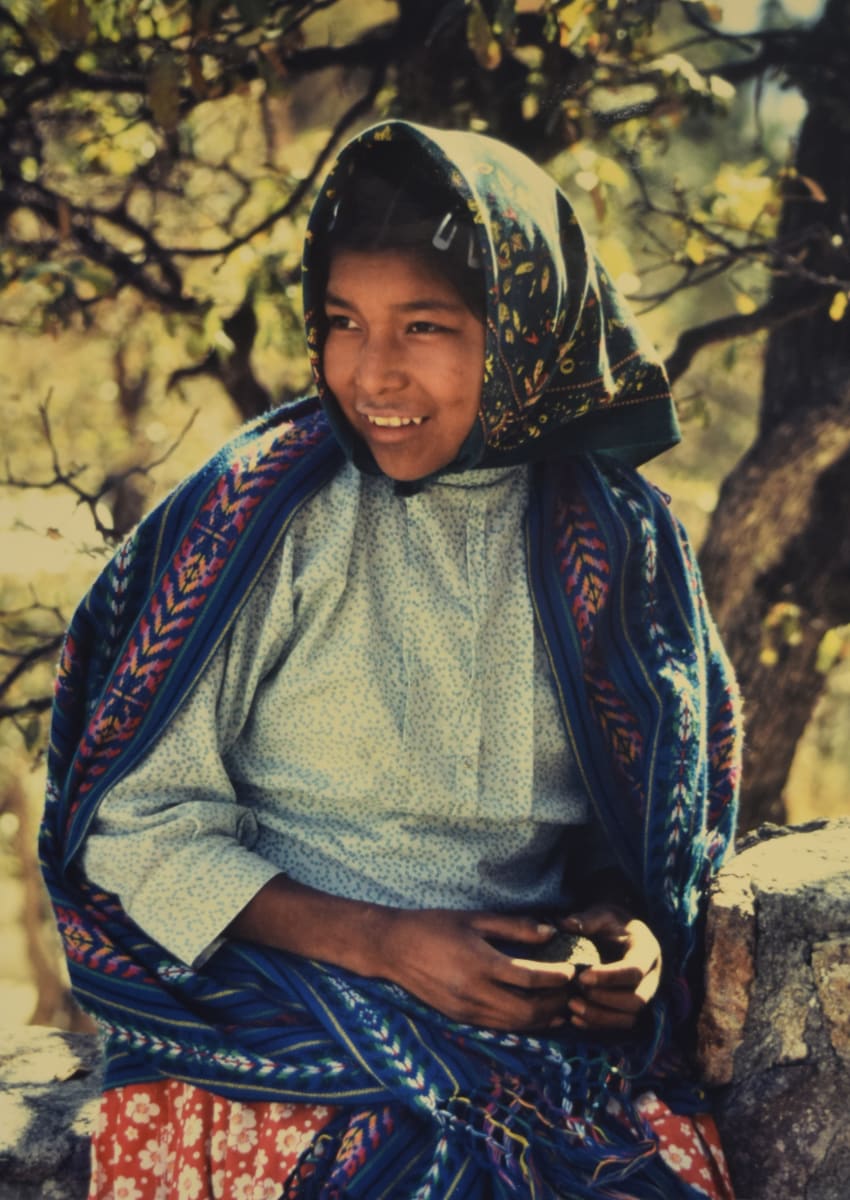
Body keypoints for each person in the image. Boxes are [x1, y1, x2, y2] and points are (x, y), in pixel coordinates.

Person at [40, 120, 742, 1199]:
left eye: (425, 326)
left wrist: (630, 935)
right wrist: (381, 942)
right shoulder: (265, 517)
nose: (372, 373)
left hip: (529, 1019)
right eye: (342, 323)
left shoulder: (613, 537)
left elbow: (644, 820)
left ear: (522, 338)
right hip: (275, 1002)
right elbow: (133, 825)